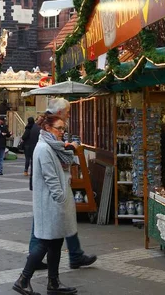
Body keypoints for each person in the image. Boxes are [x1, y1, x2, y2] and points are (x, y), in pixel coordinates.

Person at [12, 114, 77, 295]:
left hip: (54, 204)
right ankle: (23, 280)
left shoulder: (53, 147)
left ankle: (54, 283)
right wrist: (61, 199)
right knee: (44, 243)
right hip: (50, 204)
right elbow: (51, 178)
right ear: (48, 128)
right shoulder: (44, 148)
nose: (63, 132)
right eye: (59, 128)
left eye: (64, 128)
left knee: (55, 243)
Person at [29, 98, 96, 271]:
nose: (68, 115)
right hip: (49, 189)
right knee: (44, 227)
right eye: (67, 112)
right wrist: (70, 147)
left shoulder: (53, 126)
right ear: (59, 113)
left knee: (57, 223)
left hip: (52, 187)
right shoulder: (47, 130)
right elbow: (50, 159)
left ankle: (72, 257)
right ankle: (31, 267)